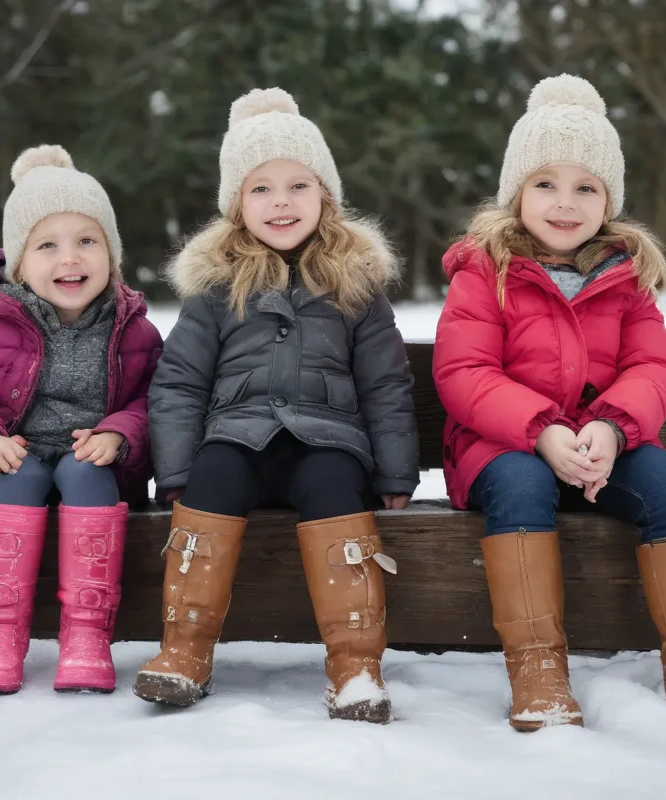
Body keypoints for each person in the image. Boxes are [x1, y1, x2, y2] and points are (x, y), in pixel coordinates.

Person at [433, 74, 666, 732]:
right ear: (516, 192)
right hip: (504, 446)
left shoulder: (625, 276)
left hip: (602, 444)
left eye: (586, 186)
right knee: (524, 484)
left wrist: (612, 427)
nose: (565, 202)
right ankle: (537, 667)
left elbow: (650, 366)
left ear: (608, 199)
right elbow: (464, 372)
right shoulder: (485, 272)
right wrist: (542, 430)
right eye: (545, 184)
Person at [135, 88, 419, 724]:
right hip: (237, 435)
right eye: (260, 189)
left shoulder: (356, 288)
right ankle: (184, 650)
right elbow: (179, 381)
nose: (281, 202)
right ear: (236, 204)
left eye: (298, 185)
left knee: (336, 489)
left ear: (326, 196)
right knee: (211, 480)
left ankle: (354, 665)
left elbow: (385, 384)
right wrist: (176, 470)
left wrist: (396, 472)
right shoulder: (215, 288)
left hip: (329, 440)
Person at [0, 145, 162, 695]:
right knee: (20, 476)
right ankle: (2, 635)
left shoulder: (135, 331)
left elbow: (158, 399)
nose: (69, 259)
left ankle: (86, 635)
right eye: (47, 245)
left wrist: (120, 432)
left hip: (92, 459)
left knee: (84, 474)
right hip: (16, 452)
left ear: (111, 252)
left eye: (87, 241)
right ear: (18, 261)